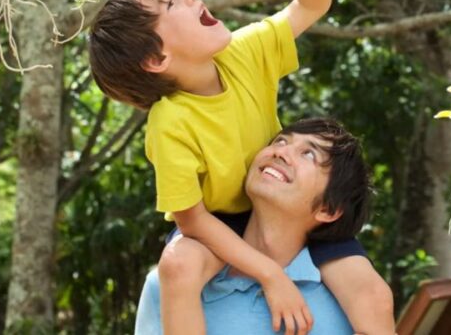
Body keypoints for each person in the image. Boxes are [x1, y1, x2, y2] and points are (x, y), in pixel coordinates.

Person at [89, 0, 394, 335]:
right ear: (157, 61)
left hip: (285, 209)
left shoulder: (243, 52)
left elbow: (308, 5)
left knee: (374, 294)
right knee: (176, 267)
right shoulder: (169, 123)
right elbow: (191, 219)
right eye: (171, 5)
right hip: (217, 225)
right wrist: (271, 275)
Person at [134, 118, 379, 335]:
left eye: (309, 154)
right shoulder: (168, 283)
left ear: (328, 209)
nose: (280, 153)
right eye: (281, 141)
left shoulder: (349, 305)